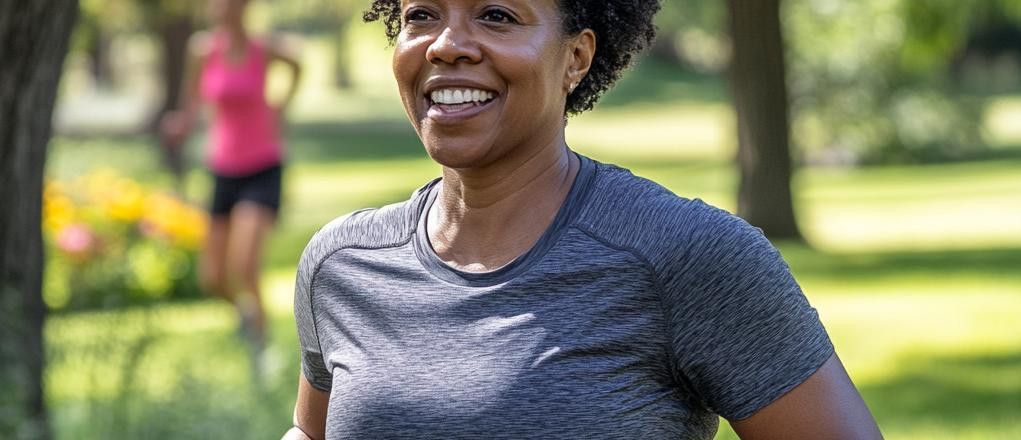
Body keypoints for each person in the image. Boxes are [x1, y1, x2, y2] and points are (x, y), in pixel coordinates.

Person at [285, 0, 882, 438]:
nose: (446, 44)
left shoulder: (686, 253)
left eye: (496, 15)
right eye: (421, 14)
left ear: (576, 57)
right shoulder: (344, 264)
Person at [161, 0, 301, 359]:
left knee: (244, 264)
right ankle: (245, 316)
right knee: (213, 276)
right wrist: (182, 124)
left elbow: (298, 64)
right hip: (222, 167)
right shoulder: (202, 50)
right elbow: (191, 104)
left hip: (262, 165)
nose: (219, 6)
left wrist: (281, 107)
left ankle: (262, 348)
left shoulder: (263, 48)